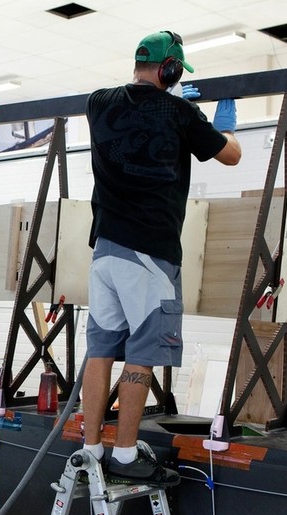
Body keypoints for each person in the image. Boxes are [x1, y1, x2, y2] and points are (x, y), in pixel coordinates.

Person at [81, 31, 242, 485]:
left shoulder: (97, 102)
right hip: (150, 252)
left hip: (105, 250)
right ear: (171, 69)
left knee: (101, 349)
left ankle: (92, 448)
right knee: (142, 353)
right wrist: (220, 123)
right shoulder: (180, 112)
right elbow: (229, 155)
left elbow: (136, 115)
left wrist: (178, 112)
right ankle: (127, 455)